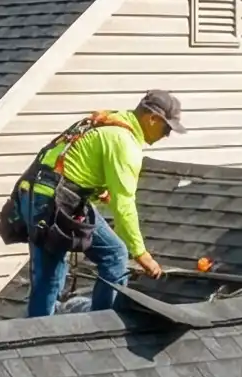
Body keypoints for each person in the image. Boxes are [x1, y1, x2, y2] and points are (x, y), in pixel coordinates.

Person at [13, 90, 177, 316]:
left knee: (108, 256)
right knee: (54, 277)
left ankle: (86, 324)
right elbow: (124, 204)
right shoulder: (125, 142)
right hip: (51, 202)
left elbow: (77, 164)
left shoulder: (113, 123)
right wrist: (141, 254)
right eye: (167, 128)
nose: (167, 135)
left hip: (41, 194)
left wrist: (95, 190)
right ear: (152, 119)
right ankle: (88, 329)